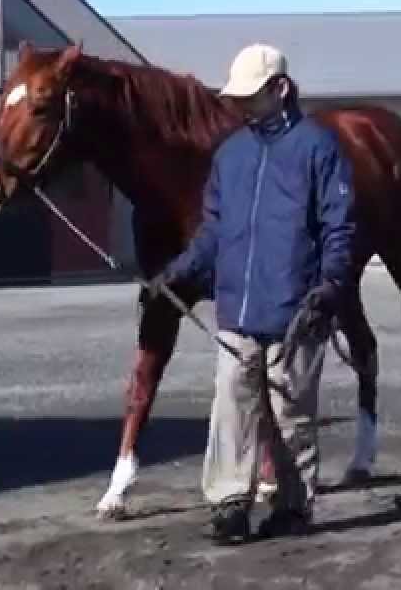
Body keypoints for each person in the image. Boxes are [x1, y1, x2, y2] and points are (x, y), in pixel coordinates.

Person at [148, 43, 357, 544]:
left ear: (280, 89)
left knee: (291, 415)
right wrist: (176, 274)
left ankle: (291, 505)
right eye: (237, 96)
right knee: (231, 407)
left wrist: (330, 285)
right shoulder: (231, 155)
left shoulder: (318, 148)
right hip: (236, 310)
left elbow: (339, 227)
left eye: (251, 96)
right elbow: (213, 231)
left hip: (297, 310)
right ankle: (229, 505)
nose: (241, 106)